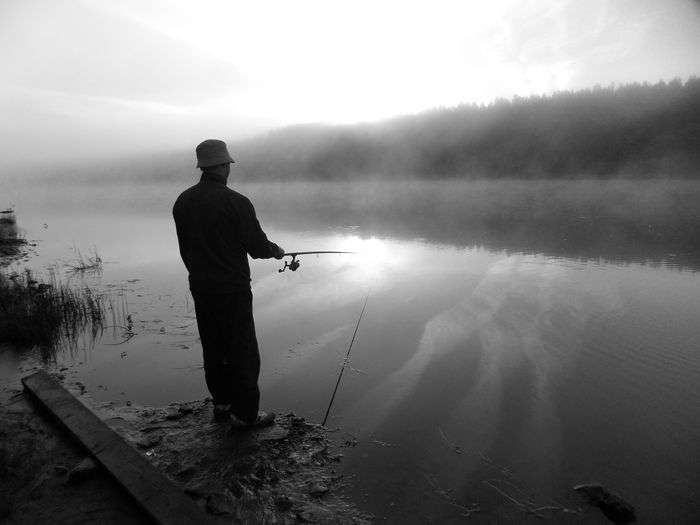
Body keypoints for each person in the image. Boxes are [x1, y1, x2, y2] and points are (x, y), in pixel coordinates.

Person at [173, 139, 284, 428]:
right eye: (228, 165)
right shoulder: (237, 202)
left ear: (202, 166)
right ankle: (245, 415)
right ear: (223, 166)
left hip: (200, 286)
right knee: (243, 350)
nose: (229, 169)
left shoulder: (183, 202)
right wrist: (275, 250)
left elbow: (186, 246)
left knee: (213, 345)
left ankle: (222, 404)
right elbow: (258, 247)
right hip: (232, 289)